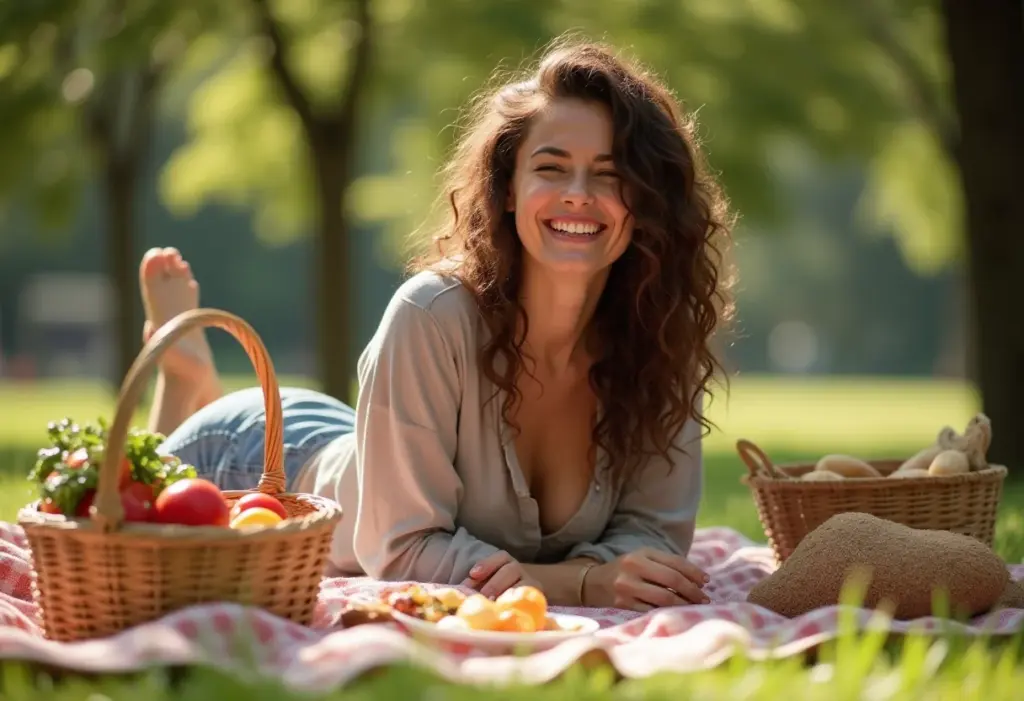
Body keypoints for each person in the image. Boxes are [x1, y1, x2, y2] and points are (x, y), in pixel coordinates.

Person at [144, 36, 735, 612]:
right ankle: (184, 380)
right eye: (551, 168)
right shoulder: (430, 314)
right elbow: (400, 550)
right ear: (509, 189)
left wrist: (603, 574)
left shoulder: (660, 337)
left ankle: (192, 376)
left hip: (364, 442)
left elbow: (654, 535)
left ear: (646, 199)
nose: (578, 194)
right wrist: (579, 583)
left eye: (609, 174)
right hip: (257, 461)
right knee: (138, 489)